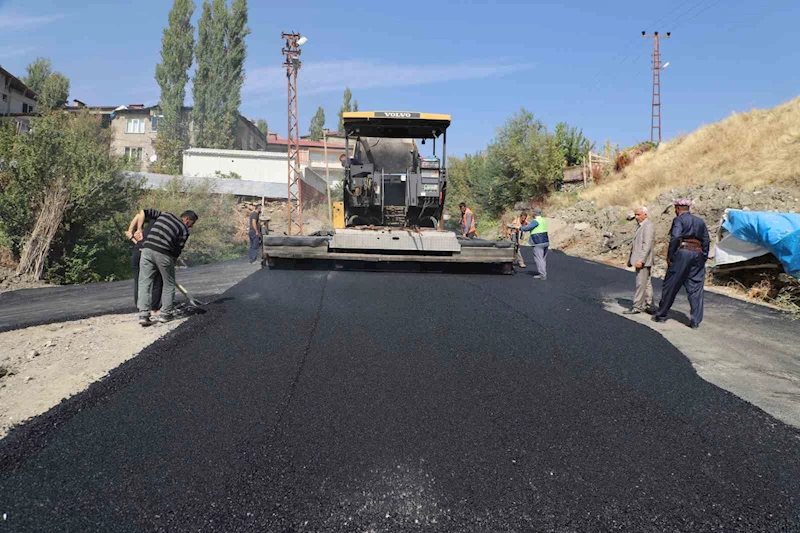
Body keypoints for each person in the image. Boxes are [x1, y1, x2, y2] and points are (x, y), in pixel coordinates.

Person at [134, 208, 198, 326]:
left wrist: (139, 229)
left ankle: (143, 315)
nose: (191, 227)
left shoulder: (165, 215)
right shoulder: (184, 230)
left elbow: (143, 212)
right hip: (163, 253)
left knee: (144, 282)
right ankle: (165, 314)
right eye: (191, 223)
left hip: (146, 250)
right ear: (186, 219)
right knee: (169, 283)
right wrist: (170, 265)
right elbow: (177, 251)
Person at [652, 199, 710, 329]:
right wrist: (704, 256)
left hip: (683, 253)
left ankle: (661, 315)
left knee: (671, 284)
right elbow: (706, 240)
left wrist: (671, 256)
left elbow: (676, 237)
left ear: (678, 208)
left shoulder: (679, 220)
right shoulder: (700, 221)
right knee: (696, 288)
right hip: (698, 254)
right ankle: (695, 321)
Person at [125, 213, 163, 317]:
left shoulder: (151, 221)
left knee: (139, 281)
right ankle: (154, 308)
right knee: (157, 280)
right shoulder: (162, 226)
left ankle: (141, 307)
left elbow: (138, 215)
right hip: (150, 253)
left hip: (138, 251)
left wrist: (131, 231)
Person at [624, 206, 656, 315]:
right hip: (640, 259)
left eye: (638, 215)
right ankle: (649, 305)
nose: (636, 217)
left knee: (640, 284)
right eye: (635, 215)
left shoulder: (648, 226)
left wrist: (641, 260)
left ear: (645, 214)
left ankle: (637, 306)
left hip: (643, 261)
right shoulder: (641, 226)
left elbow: (647, 245)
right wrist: (630, 259)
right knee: (646, 283)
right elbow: (636, 245)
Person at [519, 207, 549, 280]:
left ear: (534, 213)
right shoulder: (543, 220)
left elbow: (527, 228)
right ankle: (543, 273)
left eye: (532, 212)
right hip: (545, 242)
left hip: (538, 242)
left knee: (539, 259)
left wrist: (520, 228)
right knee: (543, 259)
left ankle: (542, 275)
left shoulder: (535, 221)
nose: (531, 213)